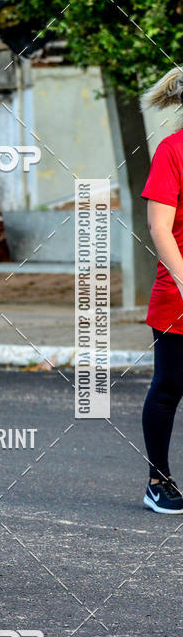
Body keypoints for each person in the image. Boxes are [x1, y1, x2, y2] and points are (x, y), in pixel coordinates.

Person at [140, 67, 183, 513]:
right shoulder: (172, 151)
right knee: (170, 386)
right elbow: (159, 227)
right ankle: (158, 479)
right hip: (178, 293)